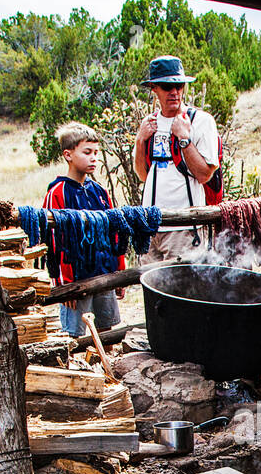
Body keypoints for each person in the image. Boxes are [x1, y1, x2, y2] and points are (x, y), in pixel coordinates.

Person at [133, 56, 220, 261]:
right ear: (154, 88)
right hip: (151, 227)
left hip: (184, 227)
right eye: (166, 86)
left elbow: (205, 174)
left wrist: (184, 139)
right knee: (151, 290)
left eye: (179, 85)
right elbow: (143, 175)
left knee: (182, 290)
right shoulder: (150, 123)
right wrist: (140, 141)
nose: (175, 92)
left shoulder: (201, 121)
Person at [43, 122, 125, 335]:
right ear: (68, 155)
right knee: (75, 334)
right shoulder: (58, 193)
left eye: (96, 152)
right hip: (76, 278)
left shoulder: (99, 191)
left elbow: (113, 231)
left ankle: (107, 367)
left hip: (103, 273)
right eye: (87, 152)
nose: (94, 158)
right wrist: (64, 285)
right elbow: (54, 240)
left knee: (107, 330)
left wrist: (119, 273)